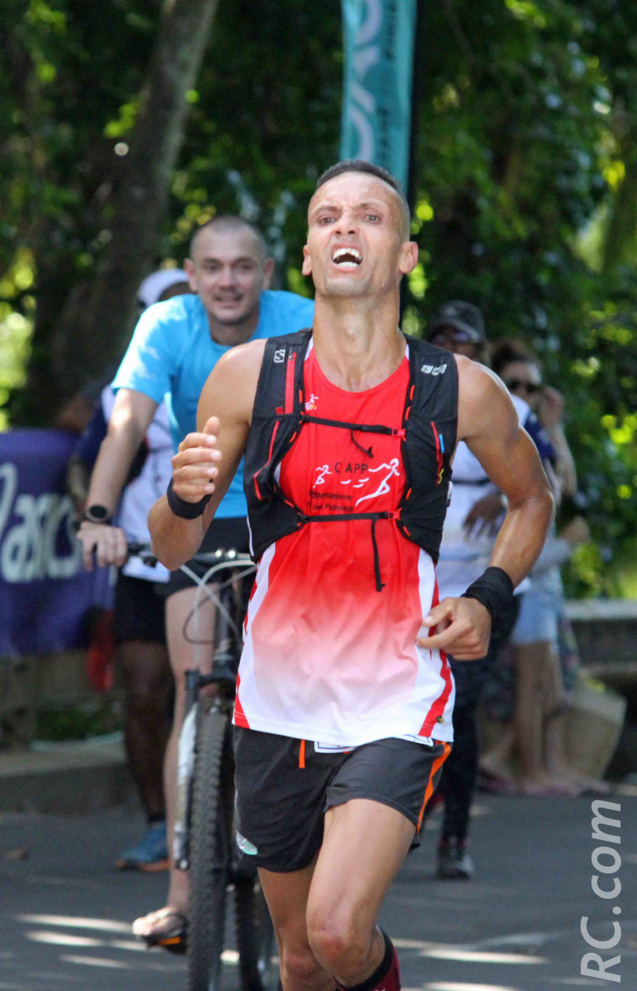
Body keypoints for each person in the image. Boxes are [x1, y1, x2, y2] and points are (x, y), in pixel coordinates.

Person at [148, 161, 553, 991]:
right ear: (304, 255)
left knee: (337, 933)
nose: (346, 228)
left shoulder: (457, 389)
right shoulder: (247, 377)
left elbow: (531, 498)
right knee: (297, 956)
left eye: (369, 217)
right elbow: (168, 543)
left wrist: (486, 595)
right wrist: (180, 494)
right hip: (276, 698)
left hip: (396, 695)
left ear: (404, 253)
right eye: (328, 217)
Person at [76, 216, 314, 948]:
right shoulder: (166, 323)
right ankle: (182, 894)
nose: (228, 281)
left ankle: (310, 880)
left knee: (298, 695)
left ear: (266, 271)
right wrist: (98, 514)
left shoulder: (301, 321)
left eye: (242, 267)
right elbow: (127, 423)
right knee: (192, 688)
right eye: (212, 267)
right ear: (191, 272)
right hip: (203, 517)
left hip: (291, 515)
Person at [69, 269, 191, 870]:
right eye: (163, 309)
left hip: (224, 560)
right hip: (145, 561)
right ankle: (156, 823)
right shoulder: (128, 391)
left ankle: (237, 823)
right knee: (145, 692)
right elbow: (82, 465)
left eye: (184, 306)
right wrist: (97, 521)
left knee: (225, 694)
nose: (176, 318)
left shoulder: (245, 371)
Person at [424, 302, 529, 879]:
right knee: (421, 711)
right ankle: (409, 818)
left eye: (461, 339)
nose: (451, 347)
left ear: (480, 346)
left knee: (457, 707)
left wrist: (503, 489)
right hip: (420, 587)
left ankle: (453, 835)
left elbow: (547, 488)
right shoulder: (407, 391)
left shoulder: (507, 404)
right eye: (440, 337)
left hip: (484, 584)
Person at [479, 341, 598, 796]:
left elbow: (563, 485)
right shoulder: (495, 436)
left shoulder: (532, 432)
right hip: (525, 575)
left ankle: (542, 766)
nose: (524, 393)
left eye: (532, 385)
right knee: (530, 689)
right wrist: (566, 547)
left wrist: (554, 427)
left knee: (548, 689)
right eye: (514, 385)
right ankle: (529, 772)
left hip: (544, 579)